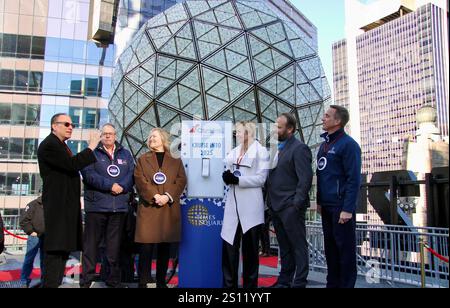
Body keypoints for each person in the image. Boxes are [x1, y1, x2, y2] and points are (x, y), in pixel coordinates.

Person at [37, 113, 100, 288]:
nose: (70, 127)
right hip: (58, 208)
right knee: (56, 250)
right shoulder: (49, 145)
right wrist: (91, 148)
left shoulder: (61, 145)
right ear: (54, 126)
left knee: (63, 250)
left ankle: (54, 283)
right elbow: (71, 165)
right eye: (66, 124)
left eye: (71, 124)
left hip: (65, 207)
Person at [79, 123, 135, 288]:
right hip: (96, 207)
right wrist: (110, 186)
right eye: (105, 134)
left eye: (111, 133)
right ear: (100, 136)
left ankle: (113, 280)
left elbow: (132, 174)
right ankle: (86, 280)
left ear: (115, 135)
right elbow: (88, 174)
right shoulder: (92, 153)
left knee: (114, 248)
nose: (108, 136)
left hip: (118, 207)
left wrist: (122, 186)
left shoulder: (125, 154)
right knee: (91, 246)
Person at [134, 128, 187, 288]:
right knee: (146, 247)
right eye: (150, 137)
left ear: (163, 138)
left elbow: (181, 180)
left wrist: (167, 196)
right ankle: (143, 281)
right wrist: (155, 196)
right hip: (149, 207)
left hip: (168, 209)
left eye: (154, 136)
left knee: (164, 247)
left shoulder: (175, 160)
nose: (151, 139)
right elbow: (140, 180)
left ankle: (160, 282)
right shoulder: (143, 159)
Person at [266, 113, 313, 288]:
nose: (275, 130)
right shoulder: (276, 149)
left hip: (290, 207)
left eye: (279, 127)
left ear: (290, 129)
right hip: (276, 206)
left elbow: (305, 179)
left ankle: (299, 282)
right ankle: (284, 281)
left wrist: (296, 204)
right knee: (284, 248)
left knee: (298, 246)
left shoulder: (299, 148)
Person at [316, 105, 361, 288]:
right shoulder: (324, 145)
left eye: (327, 116)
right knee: (331, 251)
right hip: (327, 206)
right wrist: (319, 202)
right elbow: (321, 175)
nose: (323, 118)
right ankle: (332, 284)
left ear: (338, 121)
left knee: (345, 252)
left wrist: (347, 209)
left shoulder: (349, 145)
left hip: (341, 208)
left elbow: (353, 179)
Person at [221, 121, 269, 288]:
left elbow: (261, 178)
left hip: (251, 208)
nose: (237, 134)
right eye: (236, 132)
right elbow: (225, 167)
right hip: (232, 208)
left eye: (240, 132)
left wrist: (238, 180)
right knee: (228, 251)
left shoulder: (261, 151)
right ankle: (229, 289)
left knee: (250, 253)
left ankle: (250, 289)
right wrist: (226, 176)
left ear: (249, 133)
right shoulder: (233, 152)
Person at [19, 196, 45, 288]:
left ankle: (44, 281)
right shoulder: (33, 204)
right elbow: (23, 220)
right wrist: (31, 231)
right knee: (29, 259)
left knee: (45, 261)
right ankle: (24, 281)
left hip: (47, 237)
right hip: (35, 236)